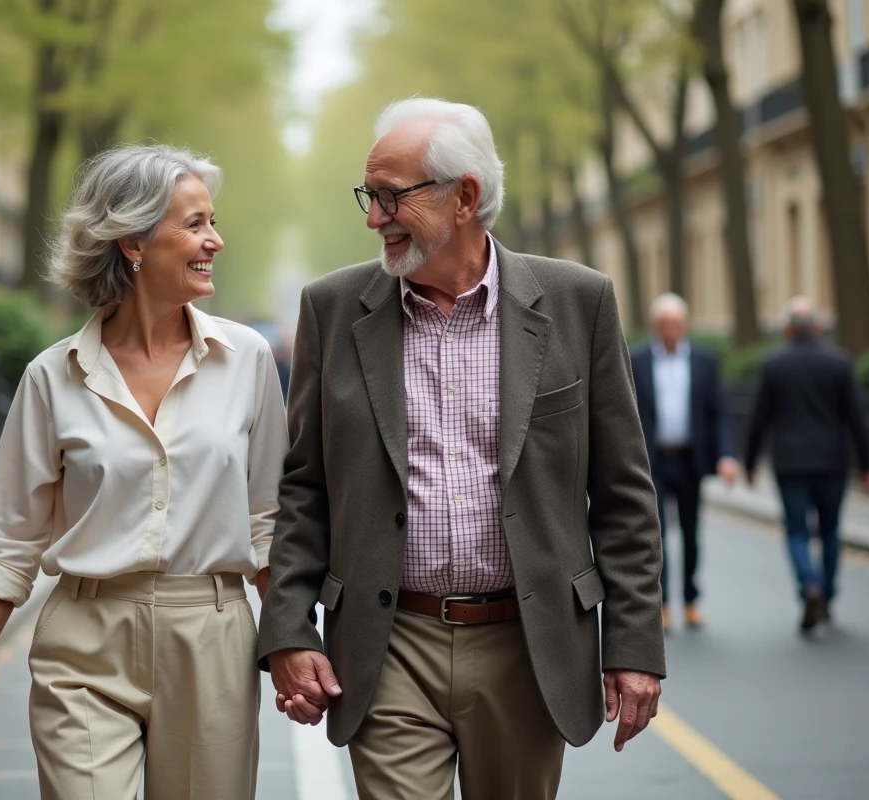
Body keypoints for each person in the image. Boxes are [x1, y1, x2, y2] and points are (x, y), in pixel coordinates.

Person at [257, 98, 665, 800]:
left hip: (528, 643)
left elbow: (624, 496)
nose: (373, 217)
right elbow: (305, 487)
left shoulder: (578, 302)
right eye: (369, 196)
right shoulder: (332, 308)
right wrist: (289, 626)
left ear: (464, 198)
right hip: (387, 643)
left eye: (390, 197)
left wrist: (633, 647)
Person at [0, 144, 289, 799]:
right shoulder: (52, 376)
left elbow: (265, 520)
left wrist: (292, 640)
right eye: (196, 223)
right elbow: (11, 542)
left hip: (210, 632)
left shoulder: (248, 361)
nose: (217, 240)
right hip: (83, 642)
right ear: (134, 243)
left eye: (214, 221)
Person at [745, 296, 869, 631]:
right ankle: (828, 595)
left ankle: (809, 585)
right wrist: (867, 466)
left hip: (790, 462)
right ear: (818, 329)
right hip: (833, 461)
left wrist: (748, 461)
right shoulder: (840, 363)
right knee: (830, 530)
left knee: (796, 530)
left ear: (788, 329)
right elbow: (856, 419)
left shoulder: (774, 364)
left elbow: (759, 418)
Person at [630, 294, 739, 632]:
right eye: (664, 324)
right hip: (653, 460)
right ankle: (661, 605)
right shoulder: (637, 360)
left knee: (691, 533)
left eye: (676, 324)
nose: (670, 330)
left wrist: (726, 456)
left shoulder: (705, 361)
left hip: (691, 459)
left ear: (686, 325)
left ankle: (691, 600)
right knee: (656, 535)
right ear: (655, 327)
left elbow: (718, 412)